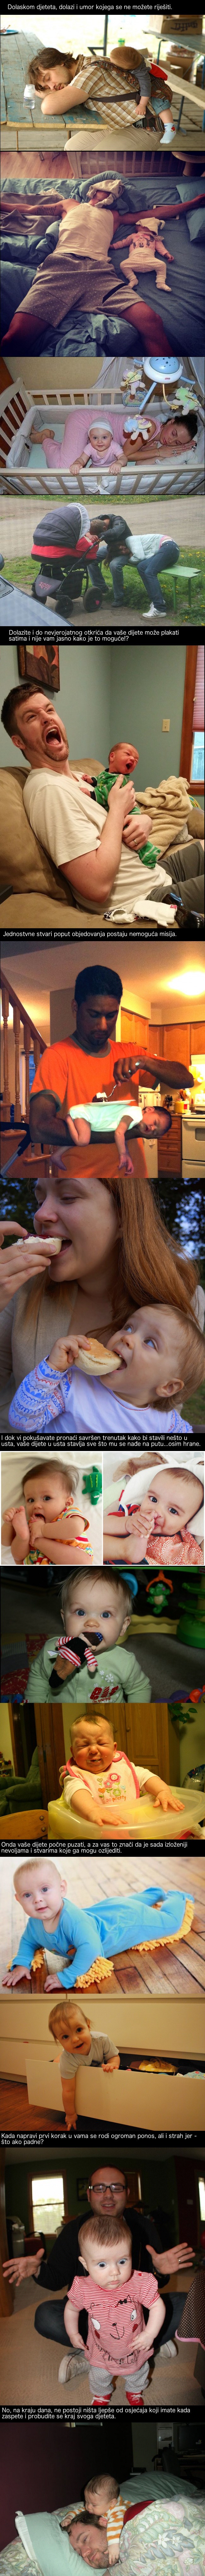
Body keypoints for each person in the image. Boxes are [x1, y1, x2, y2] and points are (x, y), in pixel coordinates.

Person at [0, 1174, 202, 1434]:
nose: (41, 1215)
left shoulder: (184, 1299)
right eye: (40, 1199)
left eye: (69, 1197)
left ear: (123, 1219)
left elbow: (161, 1413)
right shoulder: (20, 1286)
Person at [3, 2160, 194, 2383]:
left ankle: (145, 2343)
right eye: (100, 2188)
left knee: (191, 2302)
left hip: (135, 2315)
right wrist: (38, 2270)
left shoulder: (143, 2226)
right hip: (92, 2317)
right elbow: (55, 2279)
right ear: (89, 2193)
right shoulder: (74, 2231)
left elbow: (155, 2286)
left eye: (116, 2187)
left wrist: (160, 2271)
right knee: (46, 2316)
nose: (108, 2195)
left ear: (127, 2192)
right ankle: (97, 2353)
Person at [1, 686, 164, 927]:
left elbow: (124, 810)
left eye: (50, 710)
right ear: (19, 741)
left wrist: (145, 822)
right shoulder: (49, 790)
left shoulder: (81, 777)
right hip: (144, 898)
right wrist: (118, 811)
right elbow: (96, 887)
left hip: (157, 872)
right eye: (32, 717)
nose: (47, 717)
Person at [9, 1296, 205, 1440]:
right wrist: (52, 1368)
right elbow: (22, 1422)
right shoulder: (75, 1384)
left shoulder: (168, 1425)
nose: (127, 1338)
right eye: (129, 1328)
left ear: (168, 1387)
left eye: (150, 1342)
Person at [2, 1856, 192, 1996]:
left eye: (45, 1889)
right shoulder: (35, 1923)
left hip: (126, 1923)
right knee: (123, 1903)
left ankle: (176, 1897)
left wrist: (69, 1975)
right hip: (110, 1910)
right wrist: (21, 1965)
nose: (38, 1899)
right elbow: (28, 1941)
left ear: (62, 1889)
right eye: (28, 1895)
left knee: (171, 1923)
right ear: (18, 1900)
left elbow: (91, 1948)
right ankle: (154, 1893)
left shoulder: (72, 1920)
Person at [63, 2209, 165, 2403]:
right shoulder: (84, 2289)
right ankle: (102, 2394)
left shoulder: (138, 2283)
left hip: (134, 2346)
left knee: (138, 2372)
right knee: (99, 2375)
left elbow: (158, 2307)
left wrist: (150, 2334)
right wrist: (73, 2334)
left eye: (122, 2261)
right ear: (85, 2264)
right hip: (101, 2349)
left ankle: (135, 2391)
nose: (115, 2273)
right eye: (102, 2265)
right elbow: (71, 2309)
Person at [18, 1567, 151, 1706]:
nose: (91, 1623)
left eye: (106, 1615)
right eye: (81, 1613)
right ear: (65, 1620)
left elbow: (140, 1689)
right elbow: (39, 1678)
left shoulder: (126, 1662)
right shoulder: (51, 1651)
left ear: (123, 1626)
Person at [60, 1714, 184, 1829]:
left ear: (114, 1749)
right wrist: (93, 1811)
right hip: (99, 1830)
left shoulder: (123, 1768)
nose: (93, 1750)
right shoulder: (75, 1776)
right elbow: (76, 1793)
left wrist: (163, 1792)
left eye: (102, 1743)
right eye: (83, 1746)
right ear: (73, 1753)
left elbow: (146, 1777)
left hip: (133, 1826)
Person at [27, 44, 174, 137]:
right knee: (73, 147)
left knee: (99, 157)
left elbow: (49, 107)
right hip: (121, 124)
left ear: (60, 62)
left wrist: (41, 93)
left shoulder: (91, 72)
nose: (52, 87)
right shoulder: (85, 63)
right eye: (47, 87)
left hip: (147, 128)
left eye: (48, 78)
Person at [104, 1461, 204, 1568]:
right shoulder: (134, 1513)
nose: (157, 1511)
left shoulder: (184, 1547)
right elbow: (103, 1526)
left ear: (185, 1524)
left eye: (173, 1511)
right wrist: (127, 1524)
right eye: (154, 1499)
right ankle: (125, 1548)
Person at [1, 1459, 93, 1567]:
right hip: (36, 1562)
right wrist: (8, 1524)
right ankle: (23, 1538)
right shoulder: (30, 1524)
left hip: (69, 1560)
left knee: (84, 1562)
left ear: (68, 1502)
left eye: (47, 1498)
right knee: (18, 1556)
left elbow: (77, 1528)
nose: (36, 1505)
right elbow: (6, 1543)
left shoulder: (67, 1514)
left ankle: (37, 1541)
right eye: (31, 1500)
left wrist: (42, 1531)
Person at [48, 1996, 120, 2130]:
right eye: (65, 2037)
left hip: (98, 2074)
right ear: (59, 2040)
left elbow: (114, 2056)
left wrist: (113, 2064)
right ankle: (60, 2055)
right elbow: (68, 2090)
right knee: (58, 2062)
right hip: (70, 2062)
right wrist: (70, 2114)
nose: (75, 2039)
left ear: (88, 2026)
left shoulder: (102, 2040)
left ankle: (61, 2054)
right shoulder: (68, 2059)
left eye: (79, 2030)